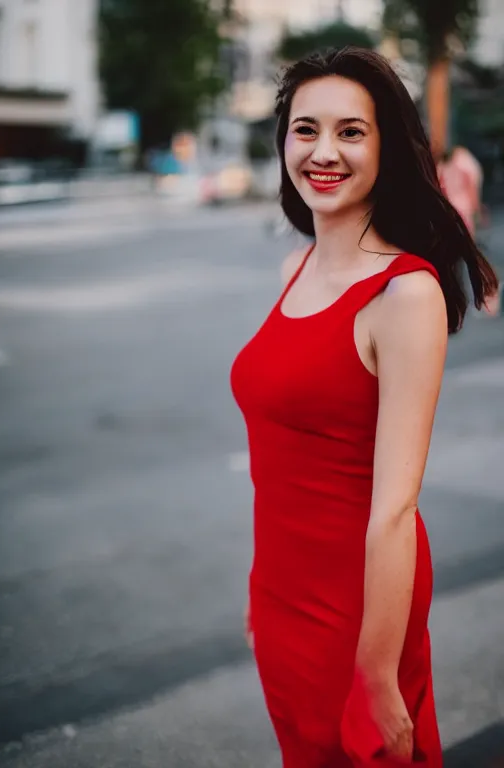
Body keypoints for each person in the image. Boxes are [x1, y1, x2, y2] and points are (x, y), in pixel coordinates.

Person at [230, 47, 498, 768]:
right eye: (305, 128)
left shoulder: (404, 295)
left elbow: (395, 509)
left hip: (359, 613)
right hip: (282, 595)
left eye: (352, 131)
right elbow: (281, 461)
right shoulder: (298, 268)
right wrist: (261, 594)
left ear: (388, 147)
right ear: (282, 139)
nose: (323, 151)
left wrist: (378, 671)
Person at [437, 146, 501, 317]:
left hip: (459, 214)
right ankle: (483, 294)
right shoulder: (452, 162)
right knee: (467, 257)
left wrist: (476, 211)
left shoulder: (456, 161)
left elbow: (469, 184)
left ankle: (488, 291)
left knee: (470, 257)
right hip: (458, 213)